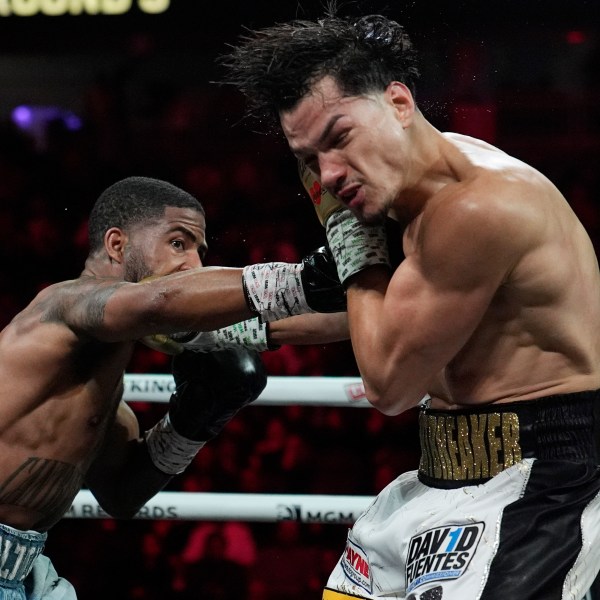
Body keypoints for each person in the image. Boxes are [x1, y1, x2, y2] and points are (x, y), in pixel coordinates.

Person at [220, 6, 600, 600]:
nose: (329, 175)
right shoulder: (414, 189)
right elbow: (404, 317)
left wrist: (353, 246)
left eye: (338, 139)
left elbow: (390, 384)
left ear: (399, 102)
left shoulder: (477, 208)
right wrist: (249, 333)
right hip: (439, 476)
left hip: (542, 483)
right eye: (308, 161)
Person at [0, 174, 350, 598]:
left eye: (200, 253)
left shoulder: (100, 392)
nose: (193, 267)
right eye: (178, 243)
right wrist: (309, 276)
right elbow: (159, 302)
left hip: (26, 569)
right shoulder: (64, 304)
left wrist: (188, 424)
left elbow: (121, 495)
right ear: (116, 245)